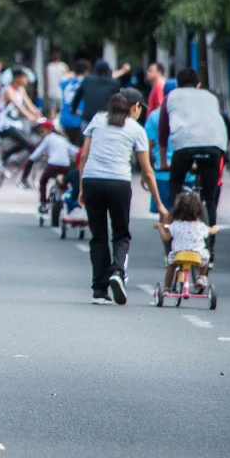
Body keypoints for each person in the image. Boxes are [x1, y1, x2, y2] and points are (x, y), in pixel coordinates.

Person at [79, 91, 162, 305]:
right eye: (140, 108)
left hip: (92, 181)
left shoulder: (97, 120)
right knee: (121, 234)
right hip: (118, 184)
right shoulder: (136, 129)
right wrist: (160, 203)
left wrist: (81, 187)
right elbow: (147, 170)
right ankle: (117, 272)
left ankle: (99, 291)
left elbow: (84, 156)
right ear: (134, 107)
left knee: (98, 237)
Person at [157, 68, 230, 260]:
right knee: (210, 196)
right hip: (215, 146)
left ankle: (174, 240)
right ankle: (210, 250)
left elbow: (163, 132)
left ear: (178, 84)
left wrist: (163, 161)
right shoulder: (210, 97)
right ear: (198, 85)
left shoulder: (171, 97)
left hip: (184, 147)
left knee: (175, 185)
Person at [153, 192, 220, 292]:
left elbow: (166, 238)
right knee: (206, 255)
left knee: (171, 266)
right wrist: (216, 228)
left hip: (178, 254)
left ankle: (166, 287)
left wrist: (160, 227)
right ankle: (201, 277)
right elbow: (211, 231)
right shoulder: (199, 225)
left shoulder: (175, 224)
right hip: (197, 255)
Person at [0, 69, 44, 188]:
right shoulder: (8, 90)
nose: (26, 80)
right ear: (17, 78)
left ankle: (22, 176)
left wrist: (39, 115)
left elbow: (29, 105)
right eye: (24, 77)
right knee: (30, 145)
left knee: (32, 146)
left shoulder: (21, 90)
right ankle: (4, 158)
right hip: (5, 125)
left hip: (16, 124)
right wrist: (30, 117)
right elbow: (18, 106)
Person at [29, 119, 79, 211]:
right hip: (65, 166)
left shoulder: (48, 138)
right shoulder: (62, 139)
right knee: (64, 182)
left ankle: (43, 203)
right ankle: (66, 200)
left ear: (48, 130)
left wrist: (31, 158)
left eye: (42, 131)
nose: (41, 134)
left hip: (53, 165)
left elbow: (38, 152)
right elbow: (73, 151)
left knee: (43, 181)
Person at [71, 59, 123, 129]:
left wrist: (74, 109)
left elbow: (77, 96)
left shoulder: (87, 80)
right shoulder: (114, 83)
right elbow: (119, 101)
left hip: (88, 119)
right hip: (106, 120)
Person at [58, 59, 89, 147]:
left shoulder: (66, 82)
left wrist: (71, 74)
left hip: (65, 120)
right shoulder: (86, 83)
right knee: (82, 147)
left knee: (72, 146)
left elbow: (61, 79)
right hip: (78, 119)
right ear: (86, 72)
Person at [44, 50, 70, 117]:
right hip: (62, 91)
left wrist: (46, 91)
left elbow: (47, 80)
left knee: (52, 109)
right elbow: (68, 78)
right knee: (61, 109)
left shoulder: (49, 67)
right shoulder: (63, 66)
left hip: (52, 91)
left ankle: (52, 123)